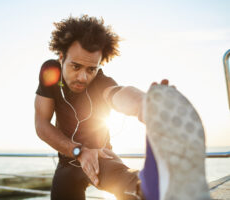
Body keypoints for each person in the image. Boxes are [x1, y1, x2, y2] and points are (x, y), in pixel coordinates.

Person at [35, 15, 211, 200]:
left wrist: (146, 105)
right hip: (67, 161)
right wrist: (78, 151)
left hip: (100, 155)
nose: (83, 77)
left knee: (131, 186)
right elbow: (41, 124)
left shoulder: (101, 82)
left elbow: (117, 94)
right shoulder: (50, 72)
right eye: (76, 66)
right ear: (61, 57)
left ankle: (158, 187)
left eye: (91, 69)